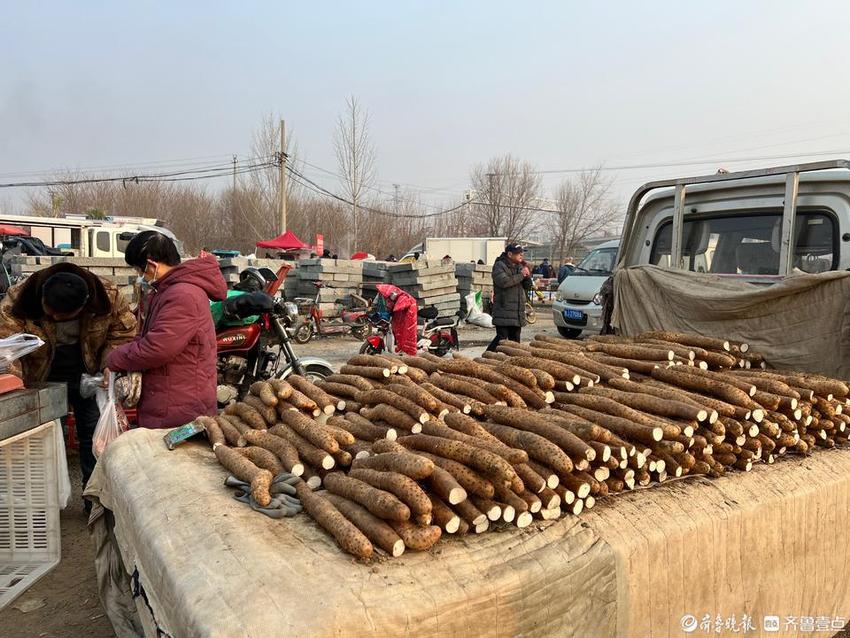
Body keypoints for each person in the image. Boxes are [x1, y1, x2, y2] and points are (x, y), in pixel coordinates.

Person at [0, 263, 137, 495]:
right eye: (49, 312)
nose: (53, 317)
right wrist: (16, 387)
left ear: (84, 306)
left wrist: (109, 363)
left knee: (93, 437)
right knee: (44, 441)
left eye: (61, 317)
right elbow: (6, 350)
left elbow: (122, 333)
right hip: (39, 379)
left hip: (88, 376)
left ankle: (94, 498)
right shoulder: (18, 301)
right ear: (43, 294)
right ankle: (46, 500)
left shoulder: (108, 297)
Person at [106, 231, 227, 429]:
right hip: (170, 395)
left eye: (139, 270)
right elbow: (147, 335)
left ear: (151, 265)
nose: (139, 276)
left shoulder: (183, 295)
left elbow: (156, 348)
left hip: (179, 404)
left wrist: (113, 359)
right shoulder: (167, 290)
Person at [486, 243, 532, 351]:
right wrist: (521, 275)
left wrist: (527, 276)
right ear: (510, 254)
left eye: (522, 253)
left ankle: (513, 364)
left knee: (515, 341)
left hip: (517, 311)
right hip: (503, 309)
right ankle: (486, 357)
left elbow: (527, 286)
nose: (521, 255)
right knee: (501, 339)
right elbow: (504, 282)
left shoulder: (520, 266)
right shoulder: (499, 265)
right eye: (519, 253)